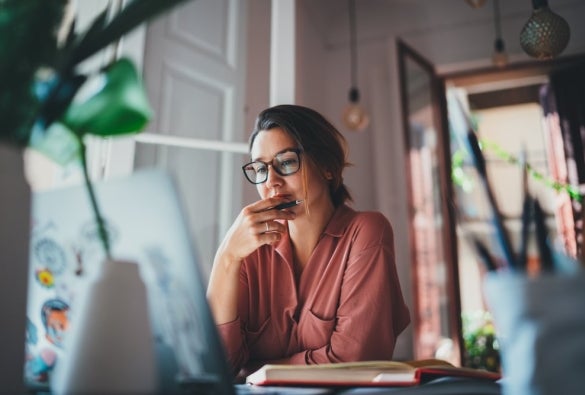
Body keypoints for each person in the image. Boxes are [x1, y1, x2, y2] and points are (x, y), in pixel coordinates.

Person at [207, 104, 410, 378]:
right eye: (260, 169)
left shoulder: (366, 232)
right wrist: (226, 257)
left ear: (326, 167)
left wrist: (256, 370)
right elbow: (216, 366)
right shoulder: (248, 250)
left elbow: (354, 361)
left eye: (287, 162)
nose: (272, 183)